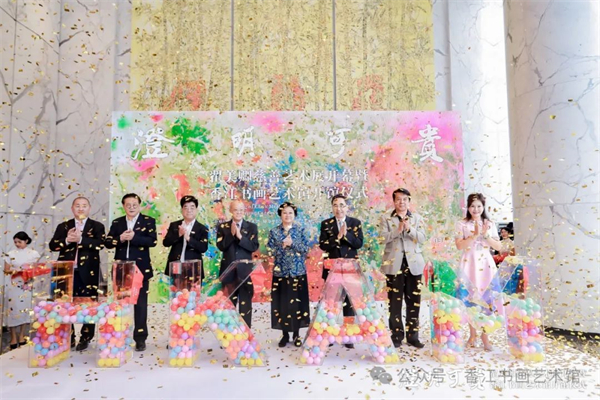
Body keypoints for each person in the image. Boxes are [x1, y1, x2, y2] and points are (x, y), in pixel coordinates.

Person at [49, 196, 105, 351]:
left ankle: (86, 337)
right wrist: (67, 240)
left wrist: (81, 239)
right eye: (77, 206)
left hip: (88, 272)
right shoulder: (63, 226)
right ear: (72, 208)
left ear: (89, 208)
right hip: (66, 273)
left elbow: (100, 244)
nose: (81, 208)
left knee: (89, 305)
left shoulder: (97, 226)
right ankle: (69, 336)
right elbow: (53, 245)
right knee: (65, 305)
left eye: (84, 205)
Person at [105, 193, 157, 352]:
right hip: (121, 269)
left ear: (139, 206)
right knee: (121, 305)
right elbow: (108, 242)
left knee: (141, 305)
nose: (132, 207)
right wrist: (120, 238)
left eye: (134, 205)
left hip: (141, 269)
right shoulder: (117, 222)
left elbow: (152, 241)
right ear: (123, 206)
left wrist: (134, 237)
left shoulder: (148, 221)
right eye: (128, 205)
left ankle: (140, 338)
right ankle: (120, 335)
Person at [455, 193, 503, 351]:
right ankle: (472, 335)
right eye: (472, 206)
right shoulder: (462, 224)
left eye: (479, 206)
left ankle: (485, 336)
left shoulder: (489, 224)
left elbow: (498, 247)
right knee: (471, 299)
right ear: (468, 207)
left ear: (483, 207)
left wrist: (485, 234)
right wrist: (474, 235)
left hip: (486, 265)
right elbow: (459, 246)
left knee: (487, 299)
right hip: (469, 264)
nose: (475, 209)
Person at [379, 188, 426, 349]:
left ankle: (413, 336)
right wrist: (397, 230)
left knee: (414, 301)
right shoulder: (386, 218)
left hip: (414, 265)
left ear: (409, 201)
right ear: (394, 201)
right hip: (394, 264)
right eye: (398, 199)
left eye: (405, 199)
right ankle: (396, 335)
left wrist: (409, 229)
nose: (401, 202)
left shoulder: (417, 218)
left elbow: (422, 238)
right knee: (394, 302)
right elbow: (382, 238)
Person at [319, 194, 363, 349]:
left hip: (350, 269)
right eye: (335, 205)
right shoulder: (326, 224)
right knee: (331, 302)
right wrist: (337, 237)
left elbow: (358, 243)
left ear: (347, 207)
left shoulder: (355, 223)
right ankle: (330, 333)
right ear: (332, 207)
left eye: (342, 205)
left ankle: (349, 335)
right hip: (332, 269)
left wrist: (346, 235)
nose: (339, 208)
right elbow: (323, 245)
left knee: (349, 302)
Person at [267, 202, 311, 348]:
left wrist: (292, 244)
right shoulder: (274, 232)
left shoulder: (301, 230)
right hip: (281, 273)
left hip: (298, 272)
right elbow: (270, 251)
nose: (287, 215)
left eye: (290, 212)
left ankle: (297, 334)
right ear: (280, 215)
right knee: (282, 304)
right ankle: (285, 334)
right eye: (284, 212)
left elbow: (306, 249)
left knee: (297, 304)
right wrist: (282, 246)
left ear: (294, 215)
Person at [216, 200, 259, 328]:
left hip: (244, 272)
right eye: (236, 210)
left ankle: (246, 331)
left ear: (244, 211)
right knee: (228, 304)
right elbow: (221, 246)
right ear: (231, 211)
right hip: (228, 272)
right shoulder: (223, 227)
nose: (238, 212)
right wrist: (231, 234)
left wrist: (240, 236)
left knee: (245, 304)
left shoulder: (252, 227)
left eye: (241, 210)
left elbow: (253, 246)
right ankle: (230, 331)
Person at [3, 232, 40, 349]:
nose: (17, 244)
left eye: (19, 242)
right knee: (13, 310)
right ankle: (13, 336)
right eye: (15, 242)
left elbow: (36, 269)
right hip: (14, 285)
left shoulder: (33, 254)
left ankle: (22, 335)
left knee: (25, 310)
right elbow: (6, 270)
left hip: (27, 285)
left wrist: (28, 271)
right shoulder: (10, 254)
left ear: (26, 241)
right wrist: (17, 270)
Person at [163, 195, 209, 281]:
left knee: (193, 290)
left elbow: (203, 248)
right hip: (176, 267)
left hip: (193, 269)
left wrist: (189, 239)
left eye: (192, 207)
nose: (189, 210)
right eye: (186, 207)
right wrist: (179, 234)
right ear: (182, 210)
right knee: (174, 289)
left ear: (196, 209)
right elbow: (166, 243)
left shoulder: (202, 228)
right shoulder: (174, 225)